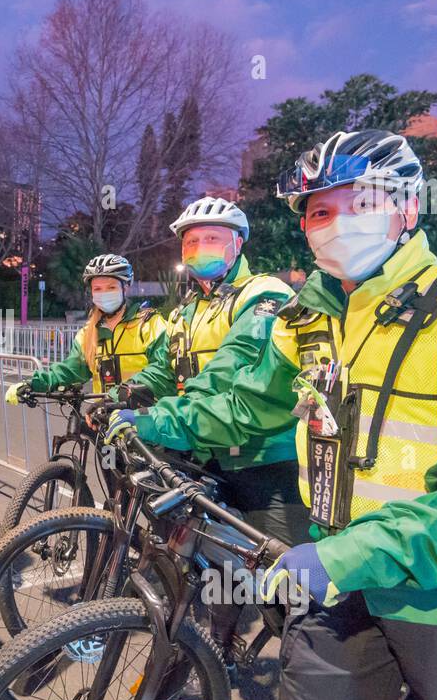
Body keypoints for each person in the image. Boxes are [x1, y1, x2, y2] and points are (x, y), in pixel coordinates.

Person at [107, 130, 437, 700]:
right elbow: (245, 402)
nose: (336, 224)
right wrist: (155, 423)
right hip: (339, 583)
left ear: (409, 209)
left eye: (360, 204)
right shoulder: (310, 319)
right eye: (319, 211)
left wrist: (343, 558)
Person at [123, 198, 307, 663]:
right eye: (191, 240)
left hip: (263, 460)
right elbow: (165, 369)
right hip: (206, 451)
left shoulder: (262, 296)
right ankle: (217, 652)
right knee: (215, 565)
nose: (199, 247)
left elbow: (229, 376)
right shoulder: (189, 308)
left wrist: (164, 417)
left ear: (237, 243)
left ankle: (318, 688)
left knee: (294, 592)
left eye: (212, 238)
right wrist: (129, 392)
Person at [4, 253, 165, 408]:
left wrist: (120, 394)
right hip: (105, 417)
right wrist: (33, 383)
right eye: (98, 289)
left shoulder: (149, 324)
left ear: (126, 288)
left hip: (146, 419)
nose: (104, 293)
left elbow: (162, 371)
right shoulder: (88, 333)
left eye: (111, 287)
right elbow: (70, 370)